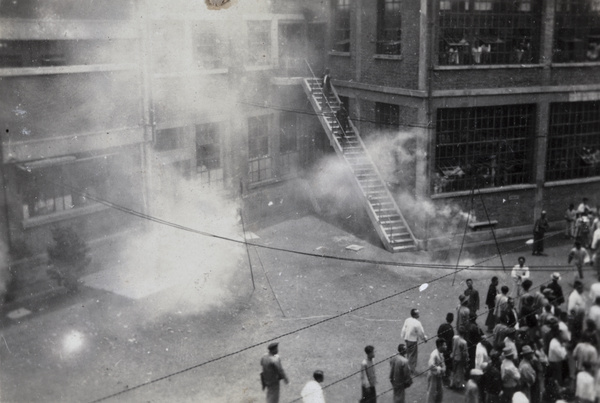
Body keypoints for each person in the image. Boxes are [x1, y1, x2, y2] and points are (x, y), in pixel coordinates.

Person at [400, 308, 427, 375]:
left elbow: (404, 329)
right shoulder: (417, 323)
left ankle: (408, 367)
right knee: (413, 355)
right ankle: (411, 369)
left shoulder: (407, 320)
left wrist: (403, 336)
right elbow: (421, 333)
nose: (419, 315)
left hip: (407, 339)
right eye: (418, 313)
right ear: (415, 315)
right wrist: (424, 339)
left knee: (409, 353)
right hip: (412, 340)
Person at [426, 339, 446, 403]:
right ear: (440, 346)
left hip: (438, 376)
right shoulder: (434, 354)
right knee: (432, 393)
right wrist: (440, 369)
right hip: (433, 376)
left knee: (440, 392)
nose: (446, 346)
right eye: (444, 345)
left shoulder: (440, 353)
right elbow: (431, 365)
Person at [436, 313, 454, 385]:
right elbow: (450, 340)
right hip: (447, 348)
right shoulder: (451, 329)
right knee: (446, 362)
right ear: (452, 320)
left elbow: (438, 334)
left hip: (440, 346)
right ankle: (445, 377)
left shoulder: (442, 326)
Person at [450, 326, 469, 390]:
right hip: (461, 358)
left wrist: (452, 354)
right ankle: (459, 384)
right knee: (460, 371)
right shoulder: (464, 342)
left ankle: (452, 383)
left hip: (455, 356)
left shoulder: (455, 338)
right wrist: (467, 358)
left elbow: (454, 347)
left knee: (454, 370)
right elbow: (465, 352)